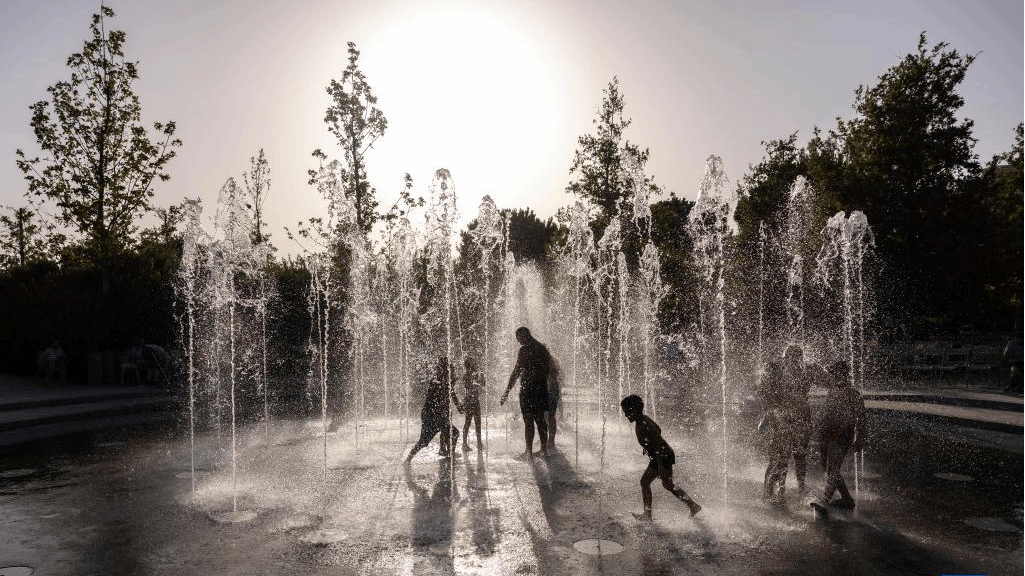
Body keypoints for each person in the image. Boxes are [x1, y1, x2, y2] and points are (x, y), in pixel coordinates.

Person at [621, 394, 701, 521]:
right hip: (663, 454)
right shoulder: (643, 420)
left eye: (628, 412)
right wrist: (648, 446)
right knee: (668, 484)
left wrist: (660, 465)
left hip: (662, 455)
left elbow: (658, 445)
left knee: (645, 482)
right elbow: (658, 429)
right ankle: (693, 505)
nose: (626, 415)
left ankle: (647, 515)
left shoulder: (643, 425)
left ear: (635, 410)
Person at [758, 345, 819, 505]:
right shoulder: (779, 376)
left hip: (802, 420)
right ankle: (774, 491)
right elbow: (769, 399)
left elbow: (826, 381)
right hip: (783, 421)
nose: (794, 360)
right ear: (785, 358)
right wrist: (766, 418)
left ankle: (800, 487)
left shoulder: (806, 374)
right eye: (790, 357)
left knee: (799, 455)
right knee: (780, 458)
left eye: (797, 357)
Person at [810, 361, 866, 518]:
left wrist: (860, 438)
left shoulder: (853, 393)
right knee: (828, 468)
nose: (833, 376)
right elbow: (827, 411)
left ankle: (824, 501)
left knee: (833, 468)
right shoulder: (833, 389)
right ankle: (847, 499)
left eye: (836, 373)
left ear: (844, 374)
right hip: (827, 432)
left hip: (842, 435)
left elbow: (861, 417)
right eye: (832, 373)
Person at [500, 327, 553, 459]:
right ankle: (543, 451)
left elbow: (517, 371)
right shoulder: (542, 348)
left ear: (527, 335)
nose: (519, 341)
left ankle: (528, 452)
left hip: (529, 390)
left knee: (529, 420)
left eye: (521, 338)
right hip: (541, 388)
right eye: (518, 339)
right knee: (540, 420)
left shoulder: (525, 350)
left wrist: (507, 391)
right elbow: (548, 371)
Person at [405, 357, 460, 462]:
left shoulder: (445, 384)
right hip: (432, 416)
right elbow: (444, 391)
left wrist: (459, 407)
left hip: (439, 417)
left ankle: (450, 456)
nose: (449, 373)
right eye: (448, 370)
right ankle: (408, 459)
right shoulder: (435, 383)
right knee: (424, 442)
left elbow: (452, 393)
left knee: (453, 433)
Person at [454, 356, 484, 451]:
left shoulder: (475, 374)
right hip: (470, 401)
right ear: (469, 365)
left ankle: (478, 443)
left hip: (473, 400)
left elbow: (483, 385)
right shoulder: (467, 375)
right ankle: (464, 444)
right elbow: (470, 386)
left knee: (476, 422)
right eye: (472, 362)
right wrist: (478, 382)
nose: (474, 364)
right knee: (468, 422)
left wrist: (481, 380)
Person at [545, 356, 561, 449]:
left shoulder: (550, 360)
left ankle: (551, 441)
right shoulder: (548, 360)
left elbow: (555, 375)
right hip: (548, 390)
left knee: (550, 416)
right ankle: (548, 439)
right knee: (545, 416)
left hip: (551, 390)